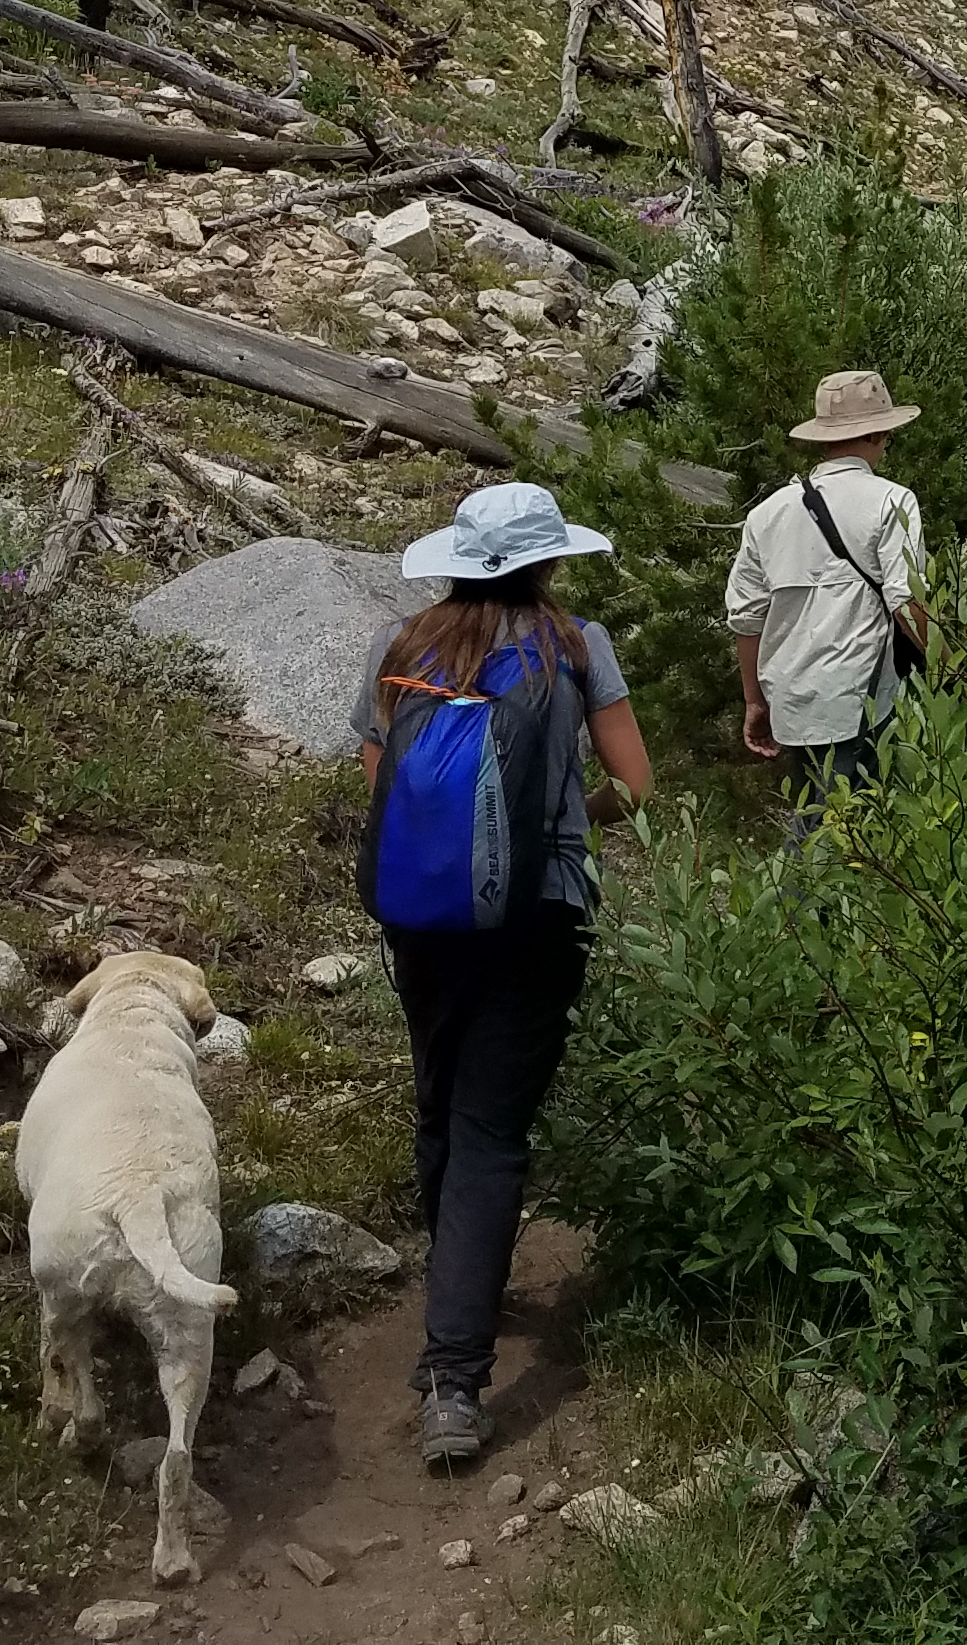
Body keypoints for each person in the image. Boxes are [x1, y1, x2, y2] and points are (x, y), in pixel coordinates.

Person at [360, 481, 650, 1475]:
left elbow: (379, 780)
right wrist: (560, 827)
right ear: (552, 560)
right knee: (492, 1126)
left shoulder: (405, 652)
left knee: (439, 1100)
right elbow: (635, 787)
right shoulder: (578, 647)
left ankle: (454, 1296)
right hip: (540, 914)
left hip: (420, 916)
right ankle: (454, 1377)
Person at [724, 367, 929, 831]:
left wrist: (754, 702)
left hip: (792, 702)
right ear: (879, 432)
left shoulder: (767, 514)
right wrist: (951, 671)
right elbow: (906, 604)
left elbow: (746, 618)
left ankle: (798, 900)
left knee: (811, 821)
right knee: (852, 836)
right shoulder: (892, 502)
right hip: (861, 701)